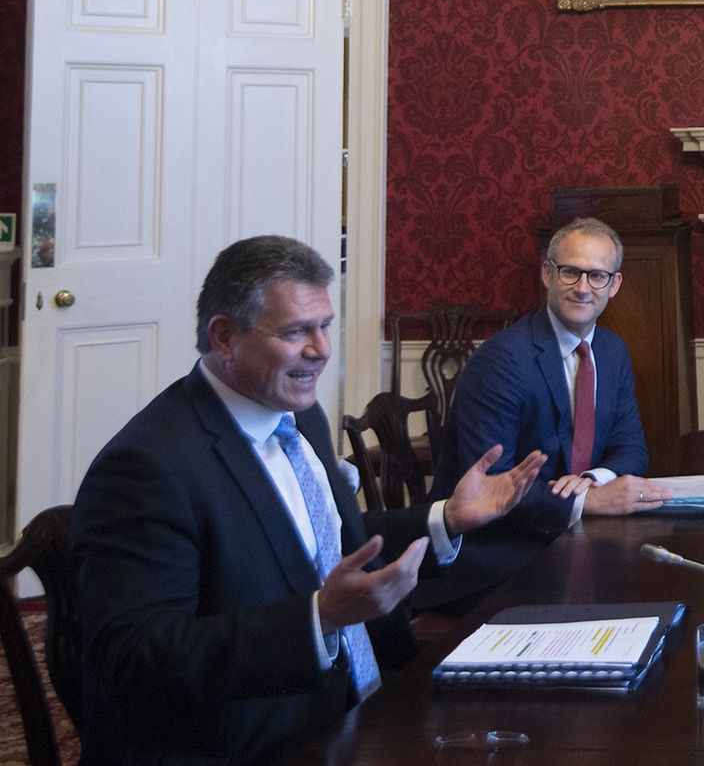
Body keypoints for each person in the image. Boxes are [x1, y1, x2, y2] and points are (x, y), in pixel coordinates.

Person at [72, 235, 547, 763]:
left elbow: (335, 546)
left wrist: (448, 519)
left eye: (325, 326)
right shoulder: (148, 466)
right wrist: (318, 618)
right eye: (296, 331)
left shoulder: (300, 417)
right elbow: (133, 658)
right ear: (224, 337)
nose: (321, 350)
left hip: (368, 701)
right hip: (259, 740)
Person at [420, 217, 671, 608]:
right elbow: (487, 488)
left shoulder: (612, 351)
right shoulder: (503, 361)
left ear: (615, 285)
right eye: (571, 272)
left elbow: (631, 448)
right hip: (496, 554)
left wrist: (590, 481)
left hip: (568, 539)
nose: (583, 288)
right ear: (547, 274)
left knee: (662, 585)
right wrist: (587, 502)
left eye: (597, 276)